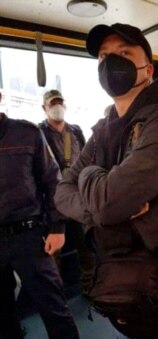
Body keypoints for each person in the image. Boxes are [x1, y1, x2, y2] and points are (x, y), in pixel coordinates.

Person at [54, 23, 158, 339]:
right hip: (121, 280)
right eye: (104, 56)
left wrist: (92, 177)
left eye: (123, 53)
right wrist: (107, 205)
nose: (111, 63)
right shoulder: (102, 131)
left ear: (147, 69)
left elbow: (108, 201)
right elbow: (62, 192)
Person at [0, 90, 80, 339]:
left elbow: (52, 181)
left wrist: (57, 228)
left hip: (29, 234)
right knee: (2, 315)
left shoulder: (27, 133)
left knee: (53, 306)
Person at [40, 89, 95, 295]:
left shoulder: (75, 131)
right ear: (44, 108)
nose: (57, 107)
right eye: (52, 104)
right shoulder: (39, 133)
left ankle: (90, 286)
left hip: (78, 195)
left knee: (86, 244)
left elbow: (88, 158)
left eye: (59, 103)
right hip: (53, 199)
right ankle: (57, 294)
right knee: (53, 252)